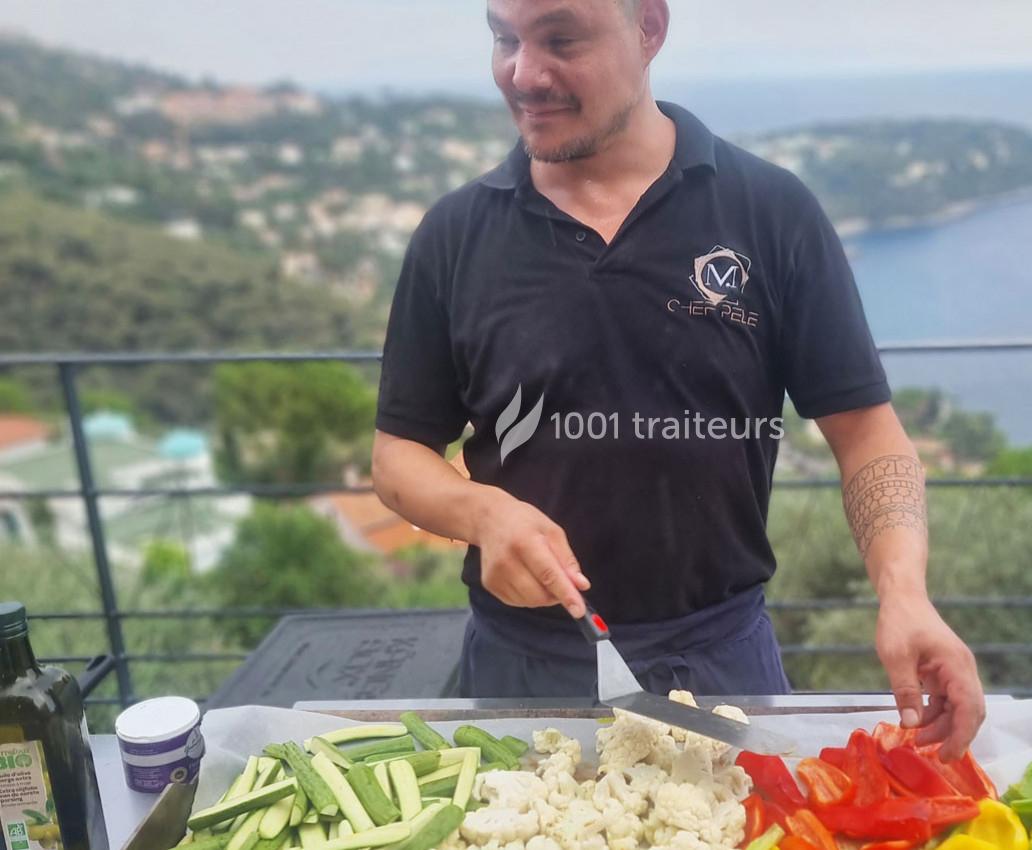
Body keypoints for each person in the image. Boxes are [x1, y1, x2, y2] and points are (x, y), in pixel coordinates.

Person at [372, 0, 985, 759]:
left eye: (560, 39)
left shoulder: (772, 211)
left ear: (649, 29)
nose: (524, 73)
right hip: (521, 671)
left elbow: (866, 434)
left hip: (722, 659)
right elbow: (398, 456)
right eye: (504, 39)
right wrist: (480, 513)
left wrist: (904, 595)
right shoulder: (455, 235)